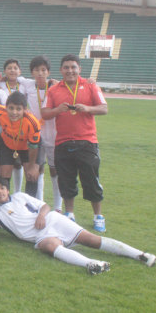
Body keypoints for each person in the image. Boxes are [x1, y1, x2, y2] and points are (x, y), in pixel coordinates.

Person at [0, 177, 156, 274]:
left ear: (8, 189)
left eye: (2, 188)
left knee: (91, 240)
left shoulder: (21, 196)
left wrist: (41, 216)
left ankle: (141, 255)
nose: (0, 192)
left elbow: (45, 206)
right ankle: (92, 264)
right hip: (39, 236)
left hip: (52, 220)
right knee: (50, 247)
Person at [41, 54, 108, 232]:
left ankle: (98, 216)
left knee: (91, 180)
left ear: (79, 68)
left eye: (73, 67)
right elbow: (45, 113)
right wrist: (57, 110)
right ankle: (69, 214)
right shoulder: (54, 90)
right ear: (61, 70)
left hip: (87, 141)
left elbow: (104, 108)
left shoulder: (91, 85)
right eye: (66, 67)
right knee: (66, 180)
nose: (70, 70)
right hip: (63, 142)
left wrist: (88, 108)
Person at [17, 55, 62, 210]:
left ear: (49, 72)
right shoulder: (28, 85)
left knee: (55, 169)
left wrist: (90, 80)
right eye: (36, 70)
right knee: (38, 167)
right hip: (35, 134)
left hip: (55, 132)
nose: (40, 73)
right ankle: (40, 201)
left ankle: (58, 205)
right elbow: (13, 76)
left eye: (43, 70)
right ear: (32, 73)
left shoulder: (56, 87)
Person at [0, 91, 41, 196]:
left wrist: (32, 166)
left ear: (25, 110)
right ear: (6, 107)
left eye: (18, 109)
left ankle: (29, 205)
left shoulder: (32, 123)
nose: (14, 112)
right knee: (4, 176)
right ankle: (4, 204)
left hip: (27, 148)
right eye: (11, 108)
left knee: (31, 175)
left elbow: (33, 146)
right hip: (7, 145)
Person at [0, 58, 27, 192]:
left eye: (15, 68)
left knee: (19, 164)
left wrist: (52, 81)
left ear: (20, 71)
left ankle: (18, 192)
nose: (12, 70)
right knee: (5, 164)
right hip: (4, 129)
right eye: (9, 68)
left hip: (23, 128)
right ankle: (4, 193)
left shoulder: (26, 83)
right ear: (4, 71)